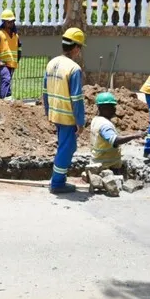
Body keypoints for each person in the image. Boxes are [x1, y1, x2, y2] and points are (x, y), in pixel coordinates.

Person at [43, 27, 86, 194]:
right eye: (80, 47)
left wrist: (48, 112)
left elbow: (45, 92)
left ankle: (57, 178)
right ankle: (57, 183)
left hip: (55, 113)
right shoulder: (74, 69)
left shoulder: (51, 63)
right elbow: (77, 99)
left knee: (64, 147)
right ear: (75, 47)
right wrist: (80, 122)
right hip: (68, 117)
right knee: (66, 149)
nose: (79, 51)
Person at [90, 92, 147, 170]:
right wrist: (135, 136)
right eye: (111, 107)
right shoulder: (105, 125)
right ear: (102, 109)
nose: (114, 109)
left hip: (98, 162)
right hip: (106, 166)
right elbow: (115, 141)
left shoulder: (96, 120)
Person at [0, 9, 22, 100]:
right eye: (8, 22)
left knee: (5, 81)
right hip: (2, 64)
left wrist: (16, 61)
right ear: (3, 22)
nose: (11, 23)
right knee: (6, 79)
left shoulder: (16, 36)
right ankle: (7, 100)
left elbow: (19, 49)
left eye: (12, 21)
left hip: (12, 64)